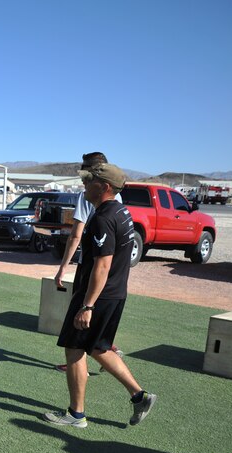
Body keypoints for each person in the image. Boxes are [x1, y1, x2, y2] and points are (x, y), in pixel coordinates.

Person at [44, 162, 156, 429]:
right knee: (98, 347)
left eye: (88, 182)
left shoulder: (104, 217)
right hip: (114, 294)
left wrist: (87, 305)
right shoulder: (121, 211)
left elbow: (102, 264)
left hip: (98, 297)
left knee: (74, 349)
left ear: (104, 187)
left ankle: (76, 415)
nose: (84, 185)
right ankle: (139, 396)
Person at [54, 152, 123, 373]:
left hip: (92, 267)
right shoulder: (117, 197)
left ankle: (85, 360)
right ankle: (106, 352)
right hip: (114, 274)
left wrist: (63, 267)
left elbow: (76, 234)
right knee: (97, 325)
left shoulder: (90, 195)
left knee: (79, 327)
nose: (83, 178)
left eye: (86, 170)